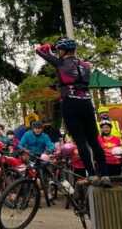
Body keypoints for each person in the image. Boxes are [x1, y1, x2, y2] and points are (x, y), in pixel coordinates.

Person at [36, 38, 109, 183]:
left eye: (59, 50)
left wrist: (50, 46)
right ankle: (105, 174)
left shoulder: (61, 63)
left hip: (70, 102)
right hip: (87, 102)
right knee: (94, 140)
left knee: (80, 141)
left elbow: (39, 50)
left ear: (63, 51)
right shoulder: (86, 65)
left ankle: (92, 174)